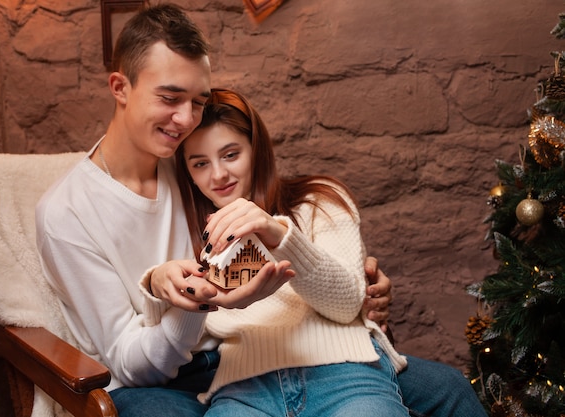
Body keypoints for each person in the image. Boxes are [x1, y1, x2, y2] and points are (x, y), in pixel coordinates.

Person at [35, 3, 484, 417]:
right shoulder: (67, 214)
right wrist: (178, 293)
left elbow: (293, 229)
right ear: (120, 87)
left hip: (270, 344)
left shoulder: (186, 161)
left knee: (447, 388)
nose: (187, 120)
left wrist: (358, 289)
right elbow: (132, 363)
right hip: (179, 372)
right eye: (170, 98)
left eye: (197, 101)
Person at [172, 88, 488, 417]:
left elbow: (346, 304)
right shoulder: (190, 233)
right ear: (188, 173)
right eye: (200, 164)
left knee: (447, 387)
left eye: (231, 155)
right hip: (245, 382)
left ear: (257, 150)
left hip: (343, 366)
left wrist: (281, 236)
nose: (218, 175)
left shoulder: (318, 202)